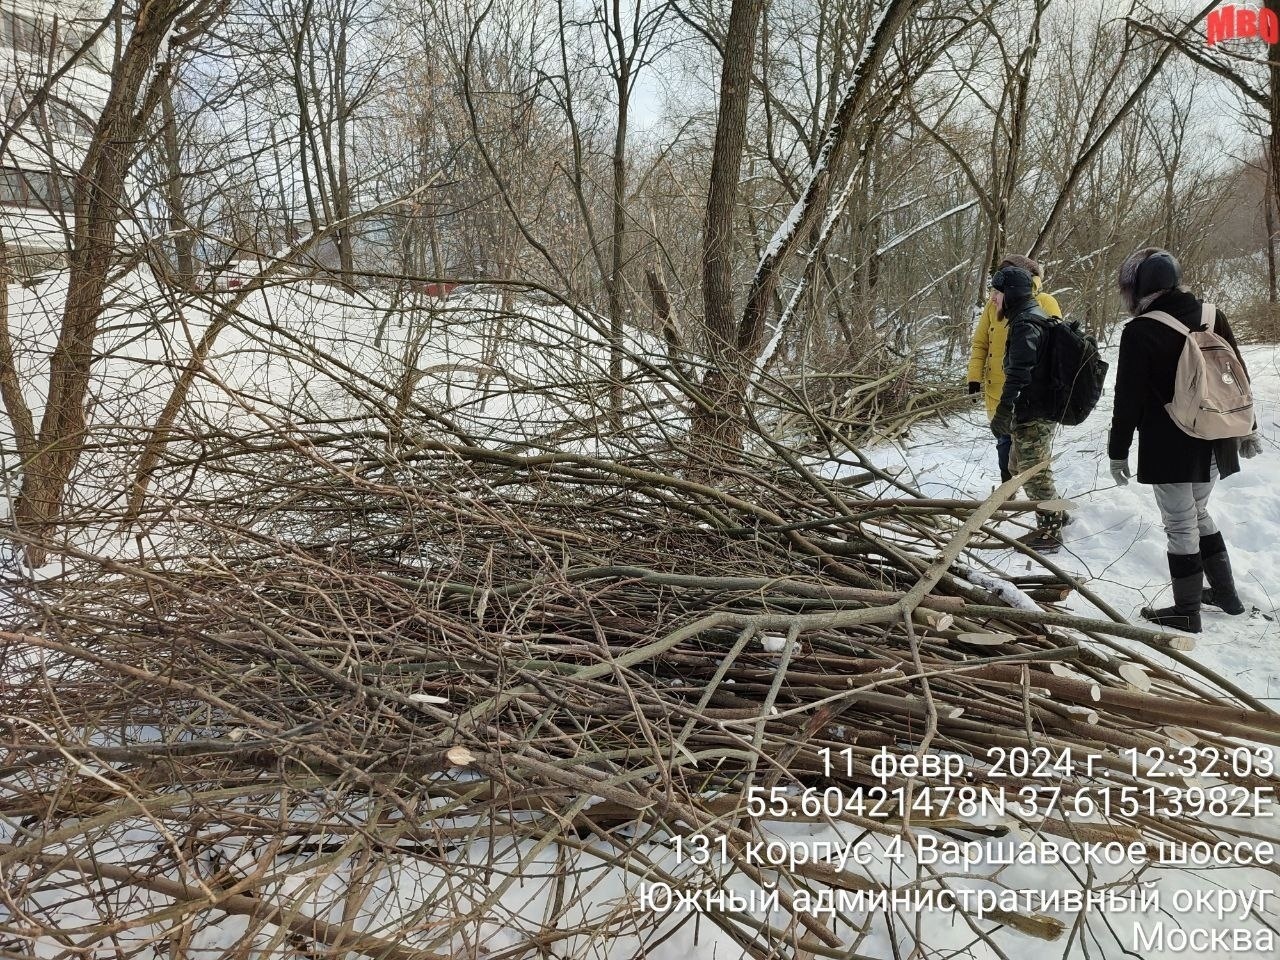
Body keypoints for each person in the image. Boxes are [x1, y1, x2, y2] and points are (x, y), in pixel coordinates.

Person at [1109, 248, 1263, 633]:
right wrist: (1248, 426)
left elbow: (1126, 400)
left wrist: (1118, 451)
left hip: (1171, 442)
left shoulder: (1140, 331)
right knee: (1199, 513)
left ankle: (1187, 610)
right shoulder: (1213, 315)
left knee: (1180, 523)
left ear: (1138, 288)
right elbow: (1238, 374)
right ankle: (1226, 596)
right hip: (1218, 435)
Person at [988, 264, 1069, 550]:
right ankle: (1058, 512)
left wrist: (1002, 411)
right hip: (1035, 408)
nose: (993, 299)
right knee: (1020, 464)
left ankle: (1049, 534)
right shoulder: (1028, 316)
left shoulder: (1025, 323)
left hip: (1034, 412)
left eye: (996, 293)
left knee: (1034, 473)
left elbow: (1019, 374)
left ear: (1010, 294)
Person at [968, 255, 1062, 482]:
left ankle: (1042, 501)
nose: (994, 296)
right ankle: (1006, 493)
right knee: (1003, 444)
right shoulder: (994, 305)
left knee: (1029, 454)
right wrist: (974, 377)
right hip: (997, 389)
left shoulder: (1045, 303)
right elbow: (981, 343)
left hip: (1030, 394)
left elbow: (1056, 348)